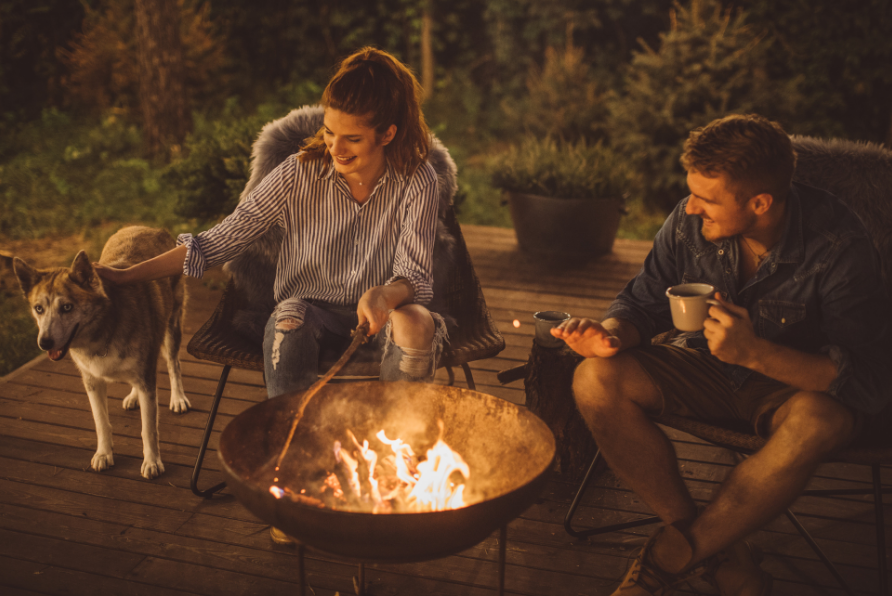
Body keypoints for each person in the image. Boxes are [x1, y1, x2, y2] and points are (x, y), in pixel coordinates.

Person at [552, 114, 892, 595]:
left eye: (708, 199)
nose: (691, 208)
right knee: (594, 377)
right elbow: (642, 301)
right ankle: (707, 544)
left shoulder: (838, 245)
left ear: (760, 202)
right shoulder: (690, 224)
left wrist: (755, 353)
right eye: (692, 192)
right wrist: (609, 335)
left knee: (822, 421)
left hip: (792, 390)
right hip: (707, 369)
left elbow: (868, 381)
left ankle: (669, 558)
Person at [95, 46, 448, 399]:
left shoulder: (419, 180)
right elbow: (215, 242)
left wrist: (384, 294)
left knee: (415, 321)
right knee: (288, 319)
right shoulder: (297, 172)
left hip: (383, 321)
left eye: (352, 138)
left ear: (387, 134)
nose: (335, 147)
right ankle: (289, 440)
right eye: (329, 132)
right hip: (309, 316)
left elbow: (413, 275)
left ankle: (402, 439)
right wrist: (125, 276)